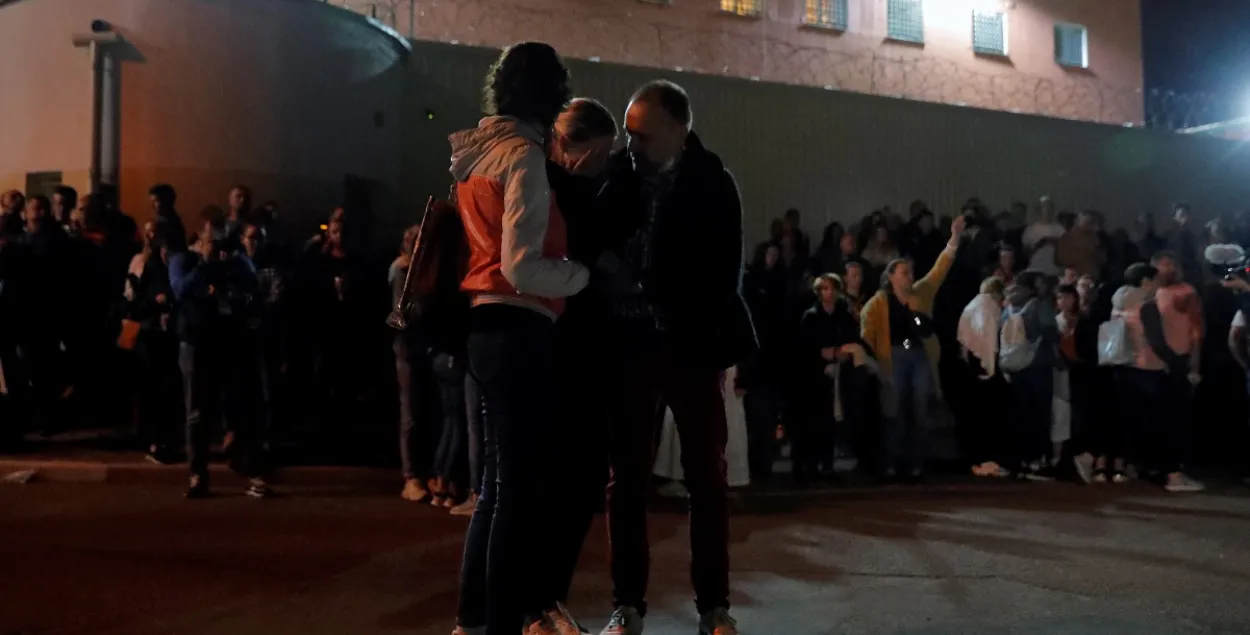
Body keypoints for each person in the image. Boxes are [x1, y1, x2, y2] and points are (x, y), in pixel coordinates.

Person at [594, 80, 755, 635]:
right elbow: (590, 241)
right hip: (630, 344)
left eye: (644, 132)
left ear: (679, 129)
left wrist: (649, 283)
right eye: (629, 132)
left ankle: (713, 605)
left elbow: (723, 272)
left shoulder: (714, 184)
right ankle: (628, 604)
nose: (632, 143)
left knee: (706, 478)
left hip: (690, 347)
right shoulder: (618, 176)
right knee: (627, 478)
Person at [449, 42, 590, 635]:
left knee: (494, 487)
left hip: (480, 328)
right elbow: (522, 265)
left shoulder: (475, 154)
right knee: (517, 490)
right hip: (519, 327)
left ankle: (473, 618)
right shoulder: (524, 158)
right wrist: (581, 274)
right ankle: (502, 623)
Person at [860, 215, 963, 481]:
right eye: (904, 272)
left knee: (920, 410)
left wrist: (953, 240)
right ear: (891, 276)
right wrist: (874, 364)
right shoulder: (877, 303)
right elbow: (866, 336)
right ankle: (892, 463)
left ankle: (916, 464)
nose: (910, 276)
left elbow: (940, 269)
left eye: (911, 272)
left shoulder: (921, 293)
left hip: (918, 356)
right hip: (891, 356)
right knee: (894, 412)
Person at [1141, 251, 1204, 492]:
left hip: (1180, 362)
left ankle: (1175, 471)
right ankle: (1166, 472)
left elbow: (1197, 331)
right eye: (1166, 264)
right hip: (1157, 364)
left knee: (1179, 418)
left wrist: (1194, 366)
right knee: (1163, 419)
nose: (1171, 268)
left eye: (1173, 264)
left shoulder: (1187, 292)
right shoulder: (1153, 293)